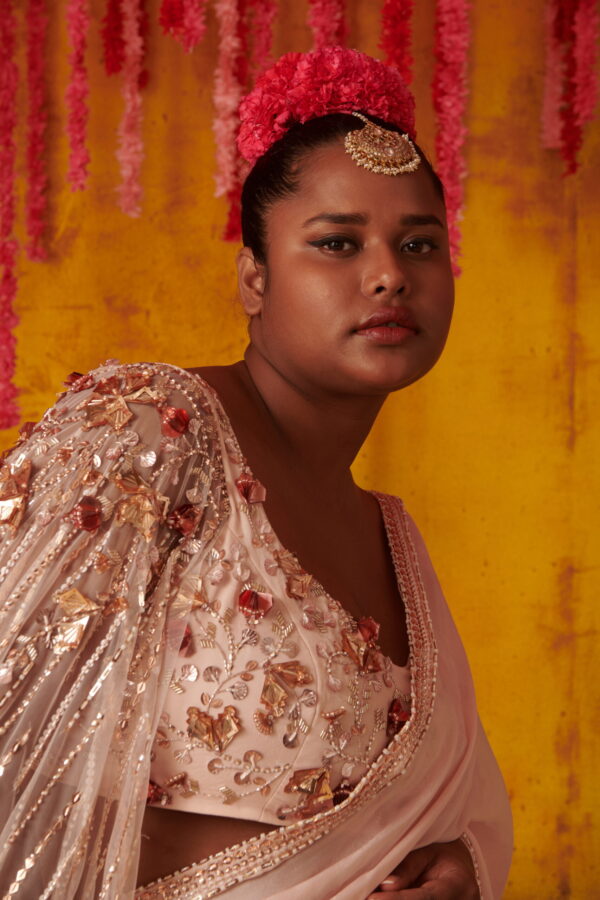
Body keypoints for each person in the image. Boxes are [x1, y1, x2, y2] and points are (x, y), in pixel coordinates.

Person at [0, 47, 512, 900]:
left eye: (419, 244)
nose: (390, 274)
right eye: (337, 243)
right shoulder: (146, 433)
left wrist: (454, 865)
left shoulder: (393, 536)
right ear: (254, 280)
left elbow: (446, 814)